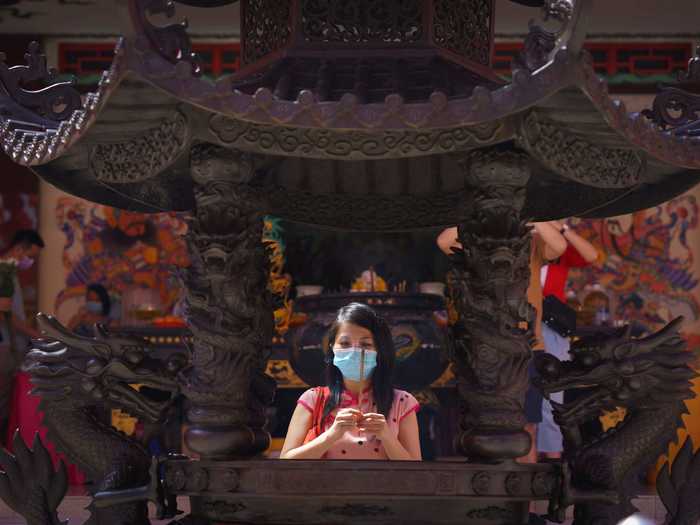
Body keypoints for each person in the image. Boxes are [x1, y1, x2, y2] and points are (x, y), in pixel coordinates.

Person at [436, 222, 566, 464]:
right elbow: (444, 242)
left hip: (527, 348)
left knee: (527, 427)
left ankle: (523, 499)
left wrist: (534, 219)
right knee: (482, 424)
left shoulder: (531, 244)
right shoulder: (479, 246)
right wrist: (476, 217)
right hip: (486, 349)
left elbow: (559, 245)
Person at [280, 302, 421, 460]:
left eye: (365, 344)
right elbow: (286, 460)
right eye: (345, 343)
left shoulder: (402, 403)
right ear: (332, 348)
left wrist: (387, 436)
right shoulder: (313, 399)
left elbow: (416, 470)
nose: (355, 351)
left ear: (380, 351)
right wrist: (331, 435)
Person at [538, 221, 598, 459]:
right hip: (521, 320)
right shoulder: (521, 243)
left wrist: (562, 228)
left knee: (552, 393)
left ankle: (553, 458)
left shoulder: (559, 249)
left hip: (551, 325)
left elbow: (592, 255)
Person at [0, 229, 44, 444]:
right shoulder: (2, 272)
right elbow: (8, 317)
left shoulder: (10, 273)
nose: (31, 262)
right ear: (19, 249)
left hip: (11, 345)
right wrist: (36, 334)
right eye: (31, 256)